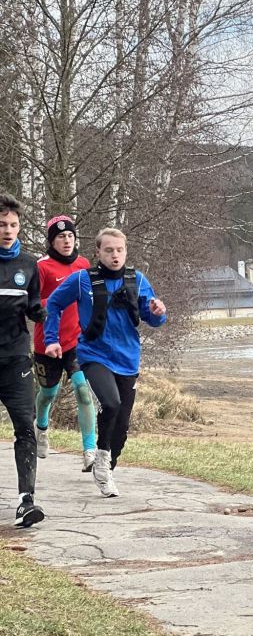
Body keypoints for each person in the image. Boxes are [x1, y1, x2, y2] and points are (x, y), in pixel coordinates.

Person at [43, 227, 166, 498]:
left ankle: (106, 462)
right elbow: (53, 304)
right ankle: (100, 455)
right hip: (93, 355)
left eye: (119, 250)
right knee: (110, 403)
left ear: (126, 252)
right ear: (97, 252)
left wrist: (158, 312)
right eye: (108, 250)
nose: (115, 255)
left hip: (128, 358)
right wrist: (52, 339)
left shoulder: (137, 280)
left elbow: (151, 317)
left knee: (122, 425)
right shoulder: (82, 280)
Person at [33, 216, 97, 472]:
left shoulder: (84, 265)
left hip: (76, 342)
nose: (67, 241)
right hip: (47, 344)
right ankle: (41, 427)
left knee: (83, 391)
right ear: (52, 241)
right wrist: (56, 301)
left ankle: (90, 450)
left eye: (70, 236)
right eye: (61, 237)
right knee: (49, 393)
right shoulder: (42, 267)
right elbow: (32, 304)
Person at [0, 192, 46, 528]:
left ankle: (26, 501)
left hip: (15, 358)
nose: (7, 230)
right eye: (2, 224)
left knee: (25, 429)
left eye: (13, 225)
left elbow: (34, 306)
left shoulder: (29, 265)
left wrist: (46, 316)